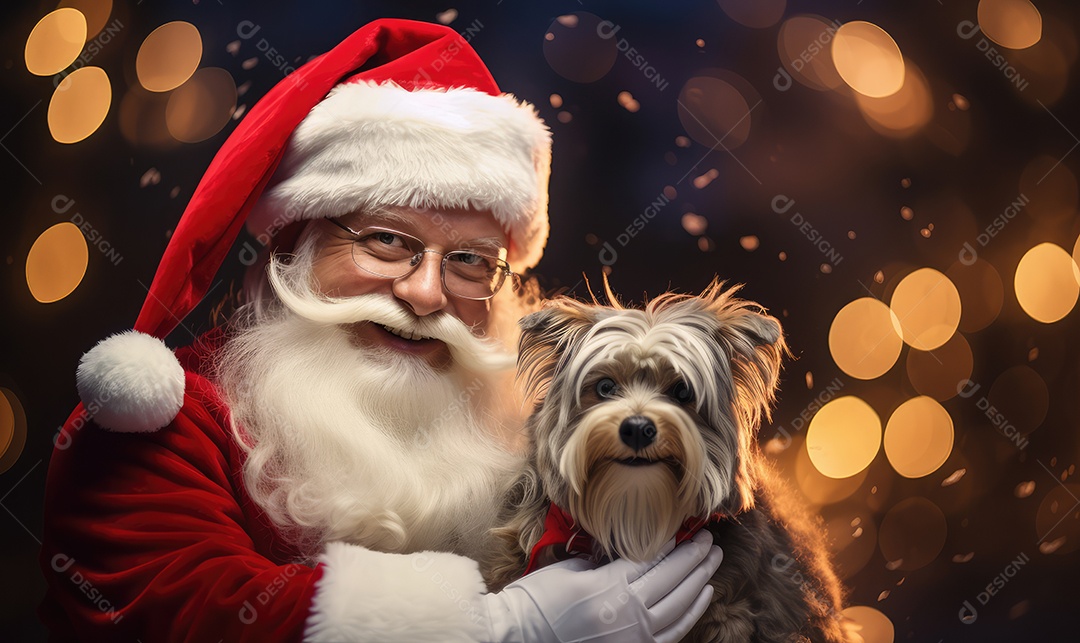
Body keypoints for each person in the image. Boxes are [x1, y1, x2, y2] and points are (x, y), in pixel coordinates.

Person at [38, 18, 723, 642]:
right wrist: (501, 629)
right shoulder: (158, 424)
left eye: (468, 262)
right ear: (293, 244)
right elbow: (191, 611)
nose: (425, 293)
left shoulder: (536, 435)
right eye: (388, 241)